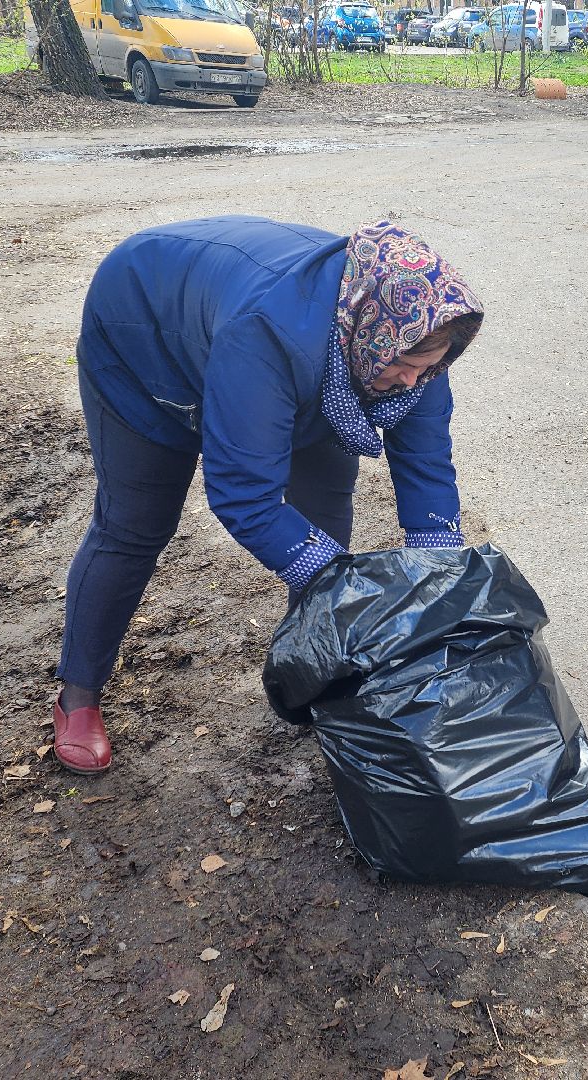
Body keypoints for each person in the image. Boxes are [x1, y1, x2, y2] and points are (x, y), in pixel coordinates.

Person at [52, 217, 485, 776]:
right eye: (403, 366)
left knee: (322, 523)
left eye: (423, 370)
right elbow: (245, 496)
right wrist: (343, 581)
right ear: (369, 333)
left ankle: (318, 673)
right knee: (136, 524)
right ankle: (79, 694)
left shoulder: (413, 334)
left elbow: (425, 463)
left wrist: (441, 575)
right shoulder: (271, 333)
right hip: (147, 340)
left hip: (302, 363)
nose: (410, 382)